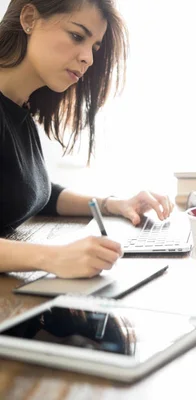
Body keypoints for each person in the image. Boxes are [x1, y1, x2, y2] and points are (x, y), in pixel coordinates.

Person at [0, 0, 173, 278]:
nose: (88, 59)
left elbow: (30, 192)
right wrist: (52, 258)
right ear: (29, 18)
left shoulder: (18, 109)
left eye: (94, 47)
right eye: (77, 36)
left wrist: (112, 204)